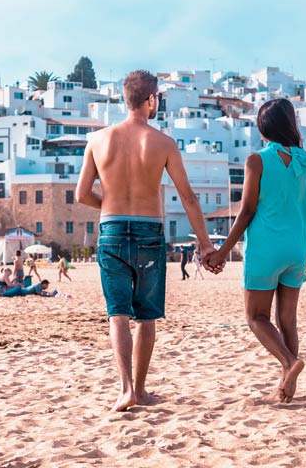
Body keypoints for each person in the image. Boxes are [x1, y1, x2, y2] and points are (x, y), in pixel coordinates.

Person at [76, 69, 217, 412]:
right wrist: (205, 244)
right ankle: (140, 389)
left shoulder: (96, 141)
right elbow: (188, 199)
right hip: (149, 231)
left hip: (111, 230)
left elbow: (81, 195)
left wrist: (109, 205)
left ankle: (125, 390)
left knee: (118, 315)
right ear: (151, 99)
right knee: (146, 317)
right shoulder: (163, 142)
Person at [204, 98, 306, 404]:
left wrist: (222, 252)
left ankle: (289, 364)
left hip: (265, 249)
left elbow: (246, 212)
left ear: (263, 127)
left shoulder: (256, 161)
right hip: (297, 248)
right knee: (288, 320)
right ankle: (286, 387)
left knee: (256, 316)